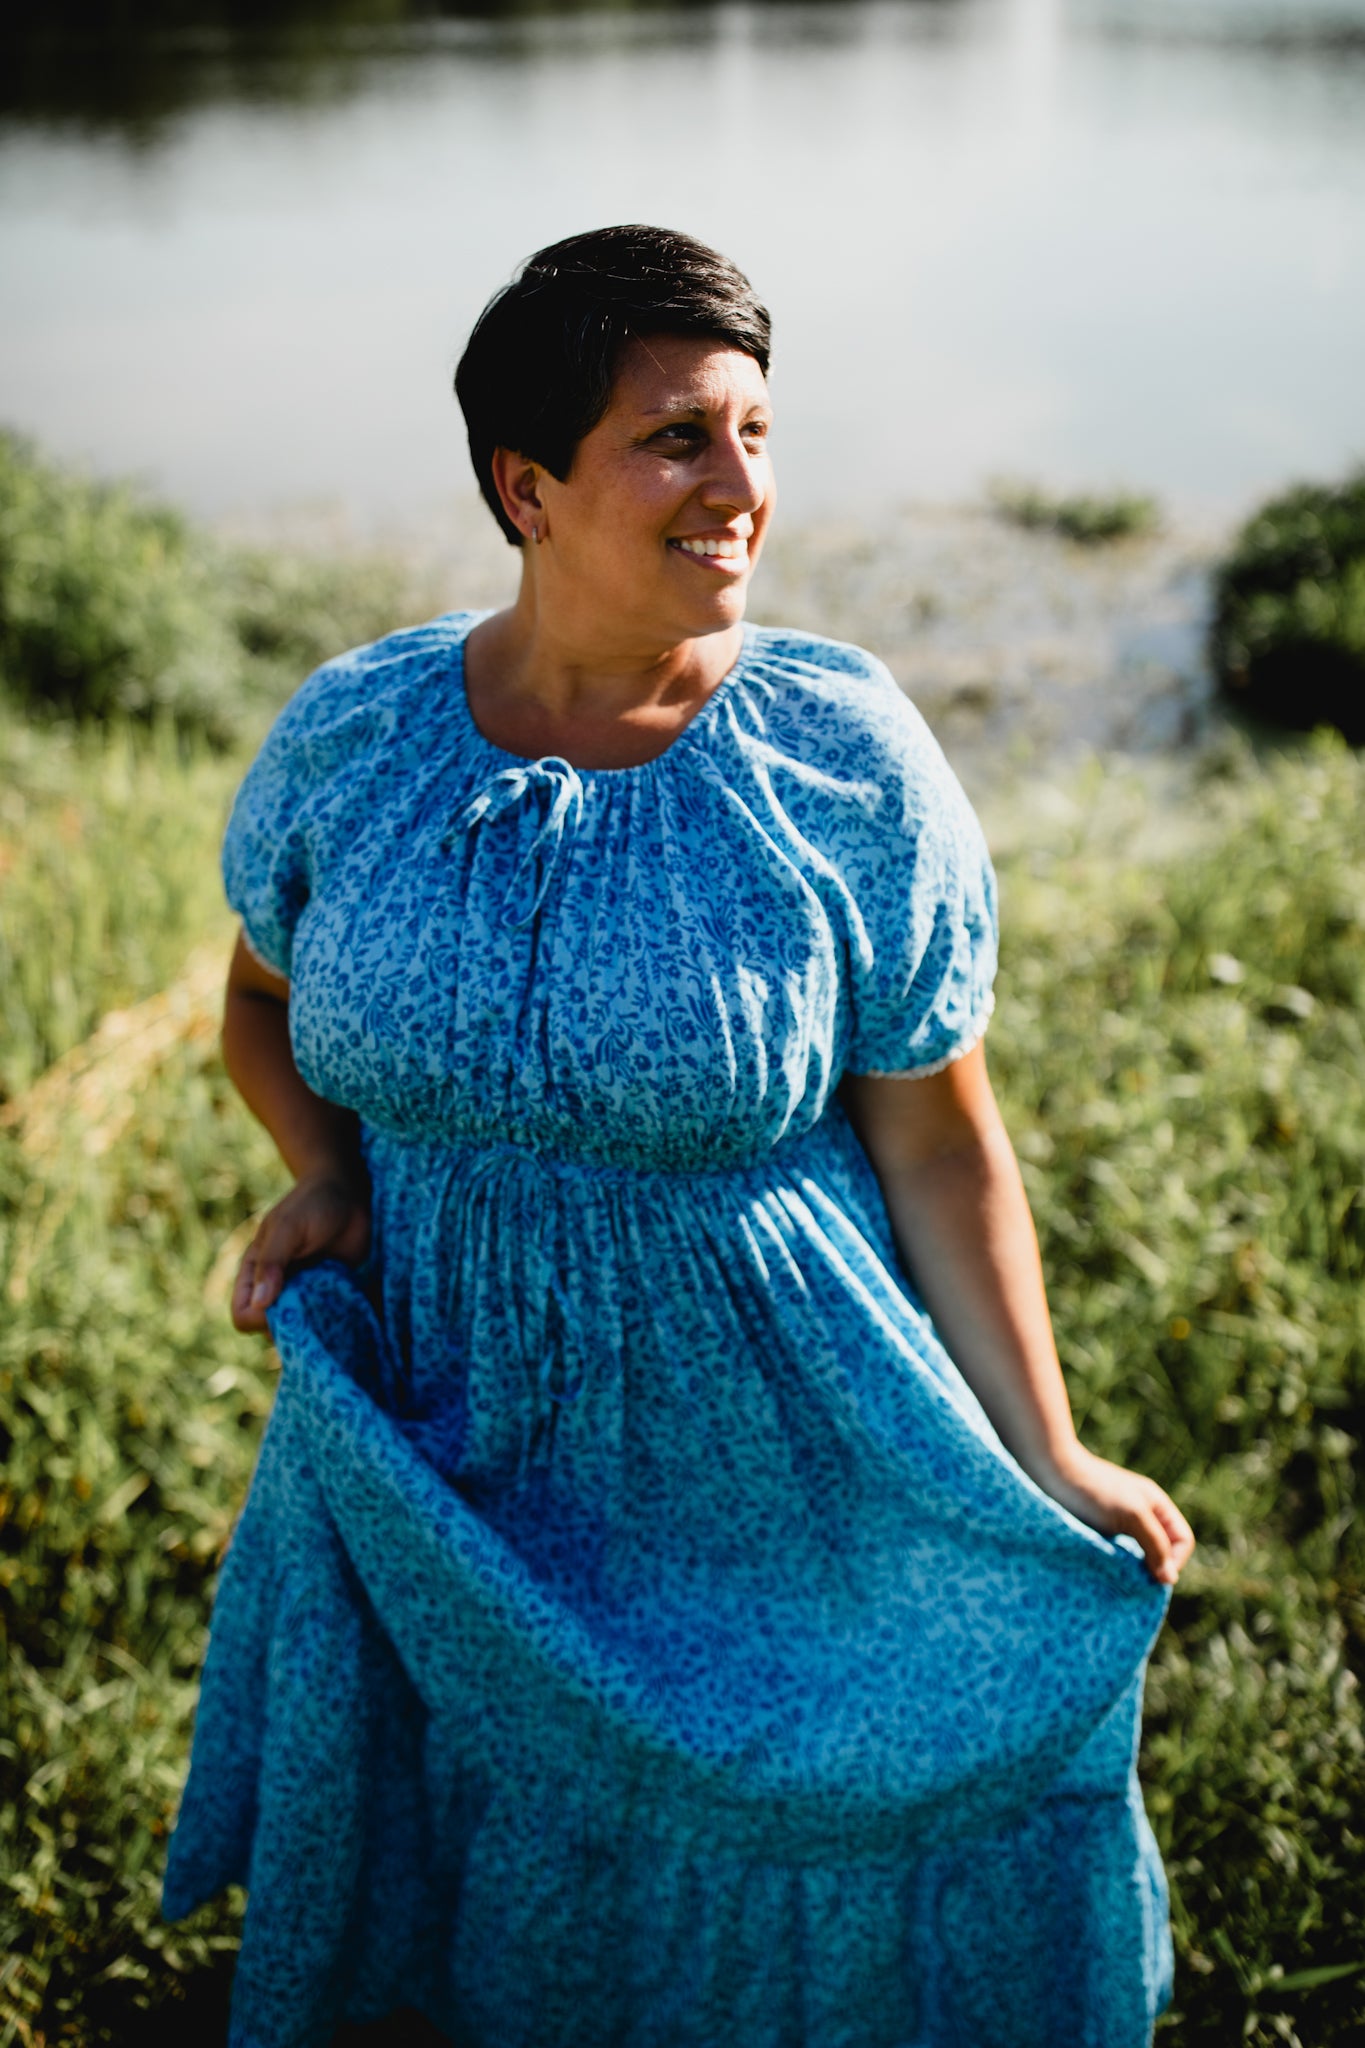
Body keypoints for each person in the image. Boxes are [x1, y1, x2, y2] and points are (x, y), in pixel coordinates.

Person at [164, 224, 1194, 2048]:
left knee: (797, 1863)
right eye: (677, 440)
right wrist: (328, 1173)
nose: (742, 491)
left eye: (756, 435)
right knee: (493, 1849)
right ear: (525, 485)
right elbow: (259, 1002)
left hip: (772, 1444)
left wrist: (1049, 1450)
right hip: (448, 1429)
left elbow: (943, 1143)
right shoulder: (357, 742)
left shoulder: (841, 759)